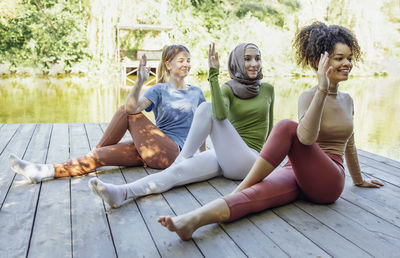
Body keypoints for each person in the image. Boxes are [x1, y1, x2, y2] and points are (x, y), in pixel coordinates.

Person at [157, 22, 384, 241]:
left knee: (285, 126)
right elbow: (306, 138)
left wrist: (359, 179)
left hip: (328, 180)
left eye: (349, 58)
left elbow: (346, 144)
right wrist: (321, 91)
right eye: (339, 58)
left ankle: (239, 187)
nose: (347, 63)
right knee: (254, 196)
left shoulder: (348, 101)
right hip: (295, 170)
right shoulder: (308, 97)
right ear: (320, 61)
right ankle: (191, 221)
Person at [88, 42, 275, 209]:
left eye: (257, 59)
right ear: (237, 63)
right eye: (247, 59)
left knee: (205, 108)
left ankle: (182, 157)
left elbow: (269, 131)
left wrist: (270, 164)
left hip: (250, 160)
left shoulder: (268, 89)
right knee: (177, 173)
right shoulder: (227, 88)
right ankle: (122, 193)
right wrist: (214, 75)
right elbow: (220, 115)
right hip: (225, 157)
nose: (254, 63)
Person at [9, 45, 206, 183]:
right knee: (98, 156)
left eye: (188, 60)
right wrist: (139, 82)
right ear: (168, 64)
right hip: (151, 149)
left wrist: (204, 158)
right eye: (181, 60)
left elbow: (204, 126)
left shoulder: (196, 92)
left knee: (125, 111)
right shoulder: (158, 90)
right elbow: (132, 108)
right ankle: (43, 171)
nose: (186, 64)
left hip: (173, 153)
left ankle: (95, 149)